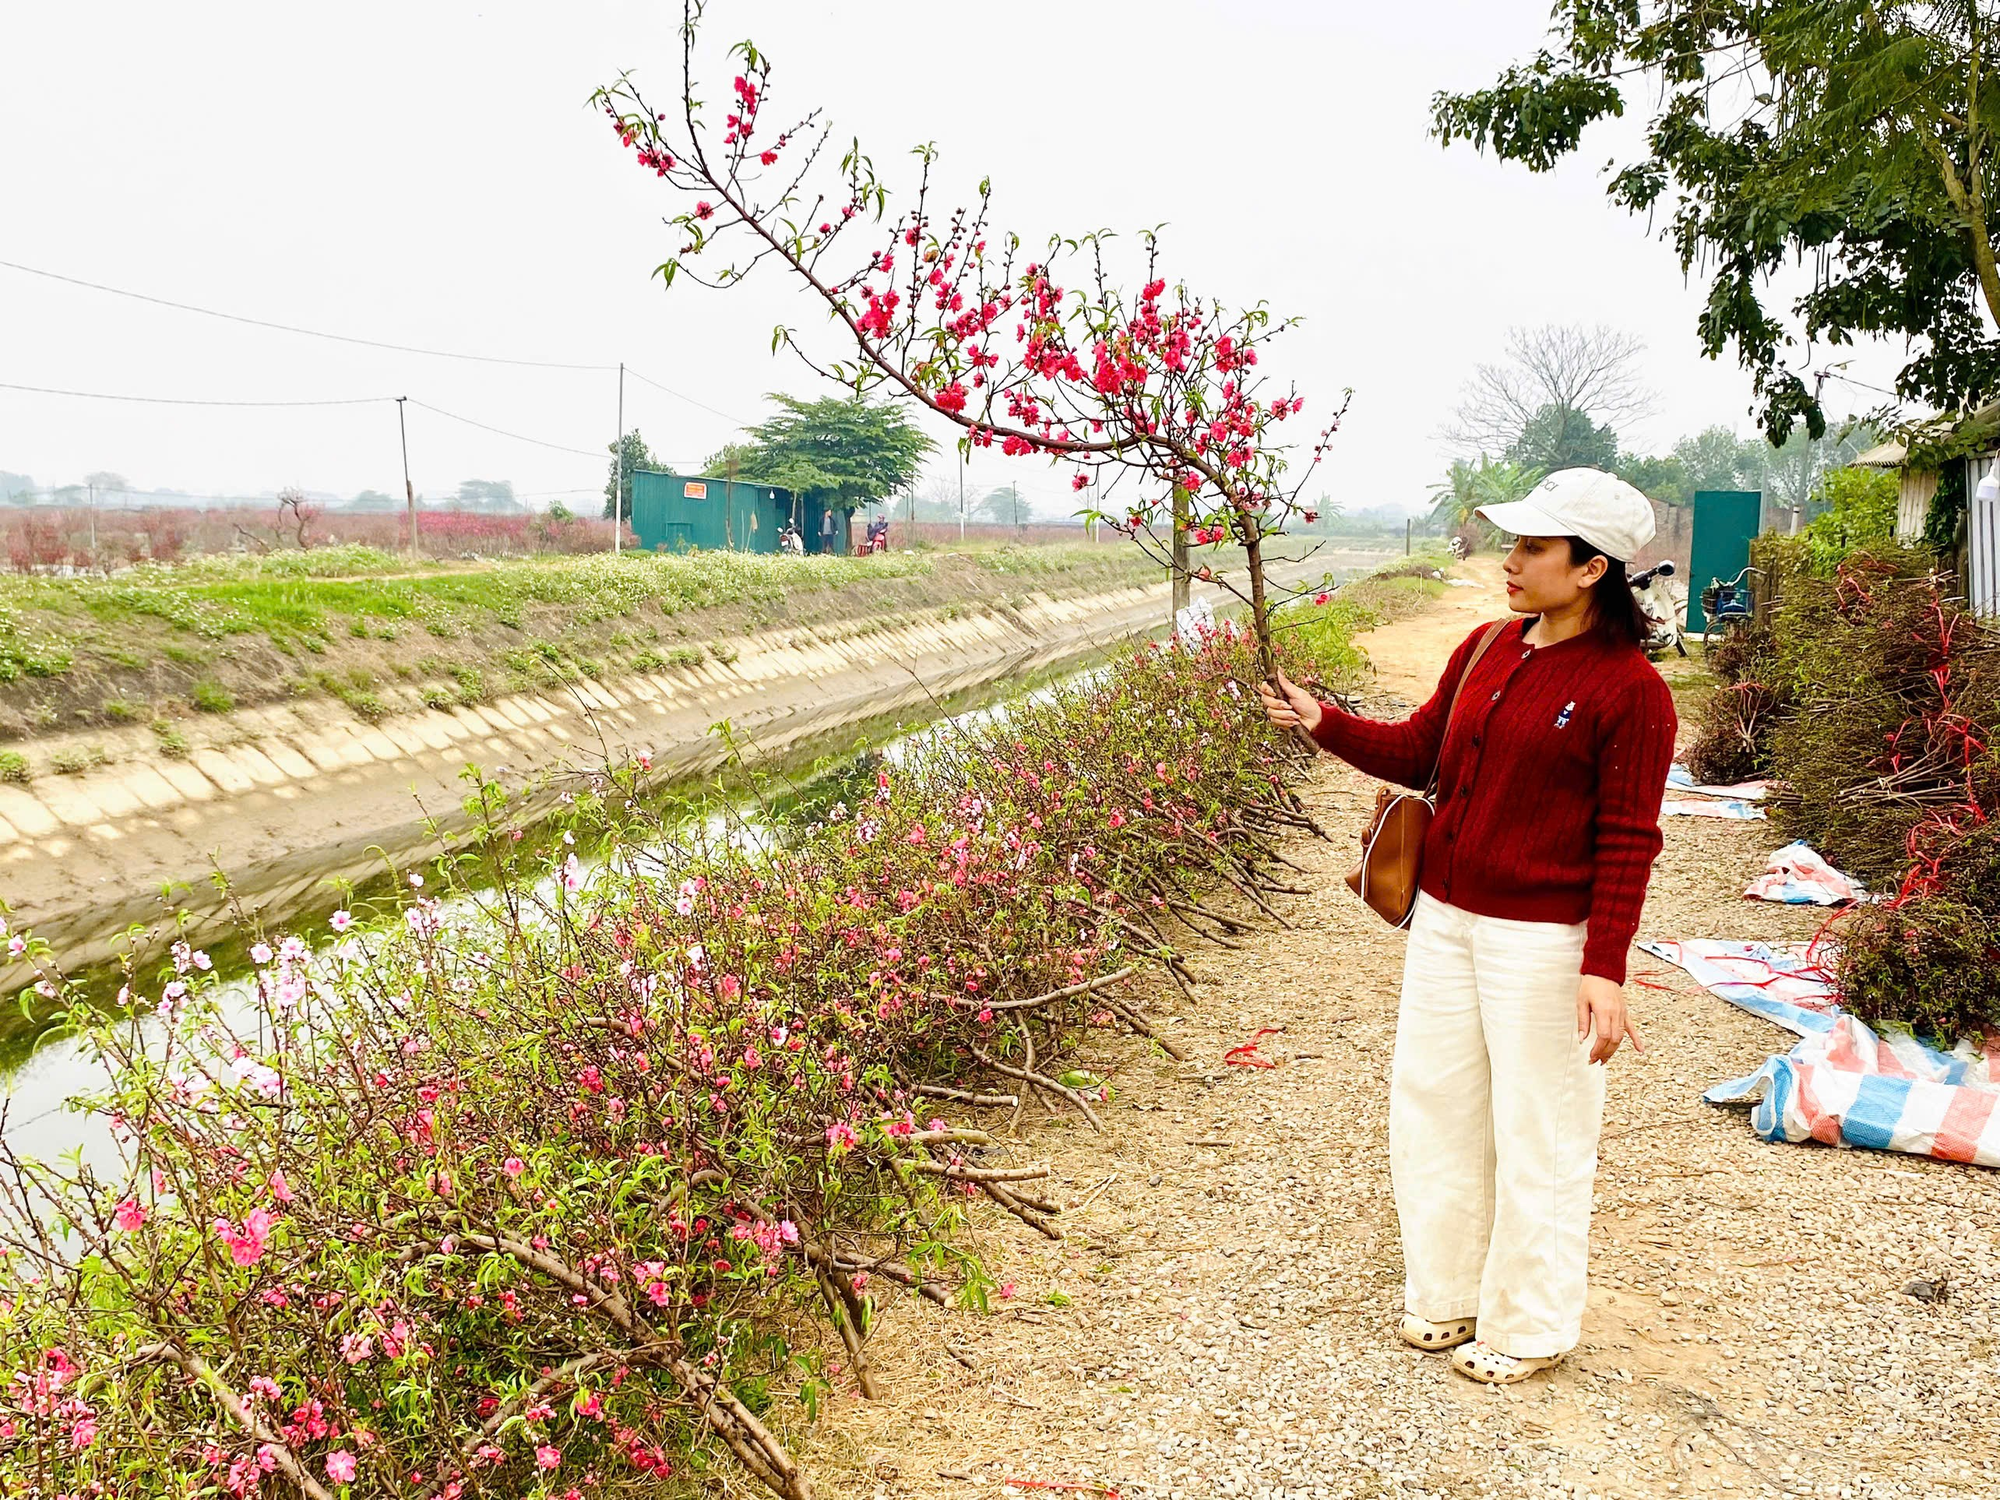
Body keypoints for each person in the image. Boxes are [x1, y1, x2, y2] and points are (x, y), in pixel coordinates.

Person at [1258, 468, 1676, 1386]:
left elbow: (1628, 839)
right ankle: (1448, 1294)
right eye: (1515, 544)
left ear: (1593, 569)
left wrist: (1604, 967)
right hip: (1445, 920)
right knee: (1435, 1106)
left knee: (1541, 1129)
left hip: (1543, 941)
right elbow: (1420, 748)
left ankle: (1530, 1324)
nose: (1513, 561)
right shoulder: (1489, 645)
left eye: (1534, 547)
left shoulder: (1631, 690)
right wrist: (1323, 722)